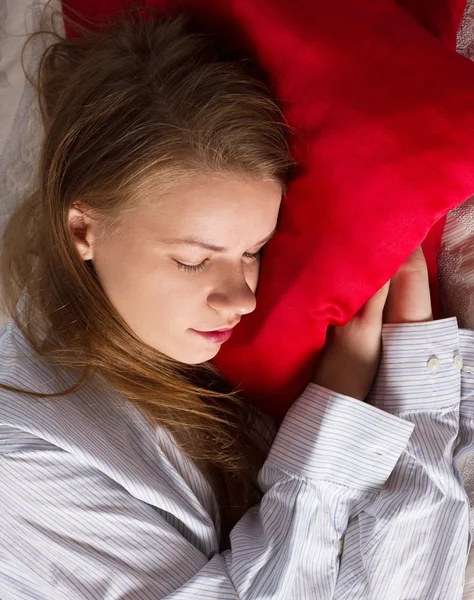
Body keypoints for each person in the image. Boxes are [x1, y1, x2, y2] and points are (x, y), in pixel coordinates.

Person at [0, 11, 470, 599]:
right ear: (82, 228)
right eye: (194, 259)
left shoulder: (184, 363)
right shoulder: (23, 456)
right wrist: (371, 400)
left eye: (253, 252)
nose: (244, 298)